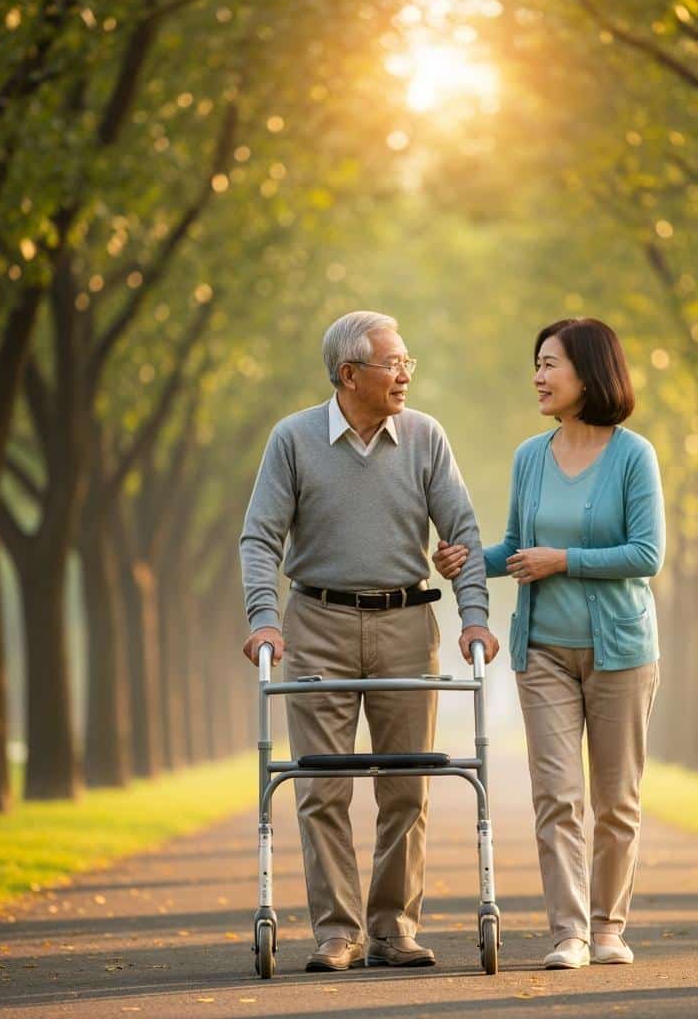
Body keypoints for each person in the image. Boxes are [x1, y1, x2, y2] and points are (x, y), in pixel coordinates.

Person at [240, 310, 499, 973]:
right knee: (321, 787)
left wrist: (473, 617)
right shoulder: (293, 440)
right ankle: (337, 932)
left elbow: (463, 533)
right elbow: (260, 537)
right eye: (393, 362)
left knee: (407, 785)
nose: (406, 373)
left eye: (408, 360)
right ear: (349, 374)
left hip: (408, 624)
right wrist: (263, 617)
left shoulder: (425, 437)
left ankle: (392, 928)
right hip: (317, 624)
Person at [433, 317, 664, 970]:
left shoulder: (632, 455)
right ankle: (569, 932)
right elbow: (516, 548)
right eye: (536, 364)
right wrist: (470, 561)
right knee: (556, 793)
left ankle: (609, 926)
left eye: (549, 364)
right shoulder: (529, 457)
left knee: (616, 798)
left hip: (621, 650)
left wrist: (566, 559)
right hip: (543, 653)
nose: (537, 376)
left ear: (590, 373)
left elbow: (648, 553)